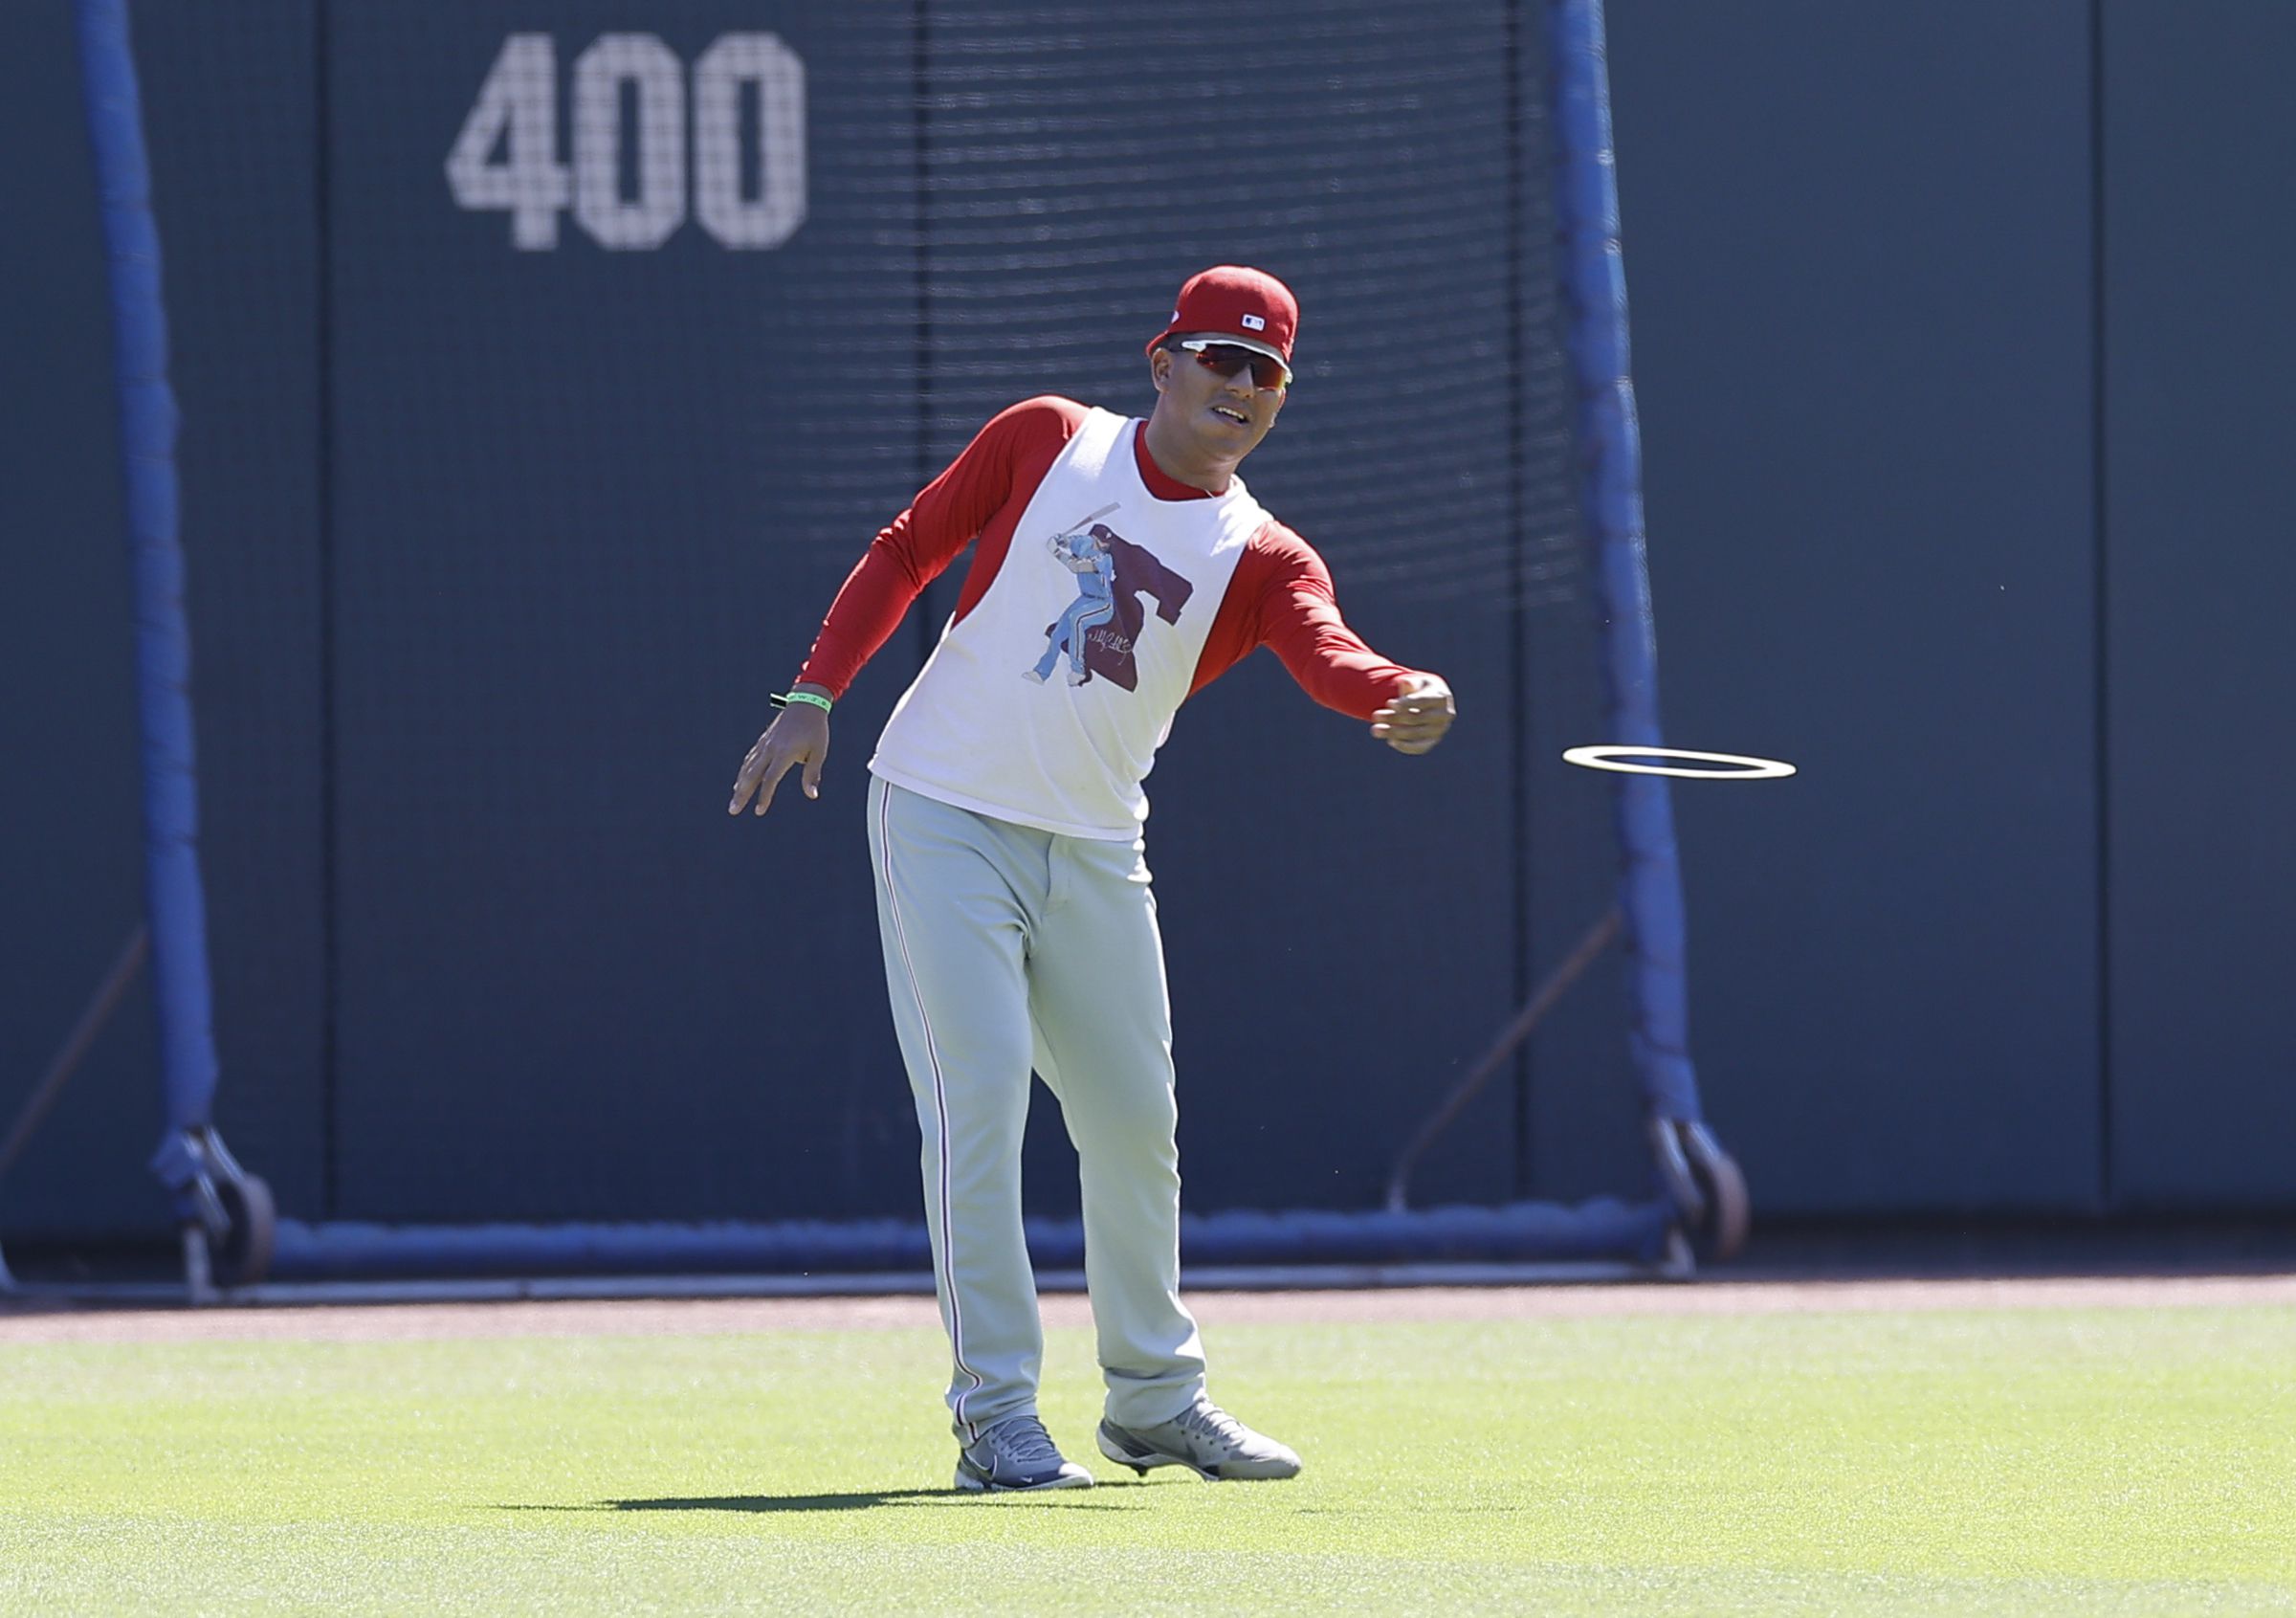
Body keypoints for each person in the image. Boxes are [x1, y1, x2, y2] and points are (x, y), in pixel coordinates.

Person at [728, 266, 1455, 1492]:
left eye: (1266, 371)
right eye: (1220, 357)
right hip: (942, 808)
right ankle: (996, 1414)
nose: (1241, 386)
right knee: (983, 1098)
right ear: (1161, 360)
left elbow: (1327, 651)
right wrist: (813, 694)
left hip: (1095, 844)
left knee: (1133, 1120)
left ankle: (1156, 1400)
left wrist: (1395, 690)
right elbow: (908, 549)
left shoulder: (1260, 553)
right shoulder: (1050, 440)